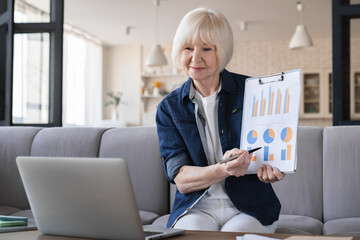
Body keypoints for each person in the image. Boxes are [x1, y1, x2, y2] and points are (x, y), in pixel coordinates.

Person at [155, 7, 285, 233]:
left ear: (221, 52)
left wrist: (276, 167)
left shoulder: (254, 92)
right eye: (188, 48)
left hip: (249, 207)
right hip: (195, 207)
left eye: (206, 48)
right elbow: (182, 180)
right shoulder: (169, 108)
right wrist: (225, 169)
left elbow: (273, 151)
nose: (196, 57)